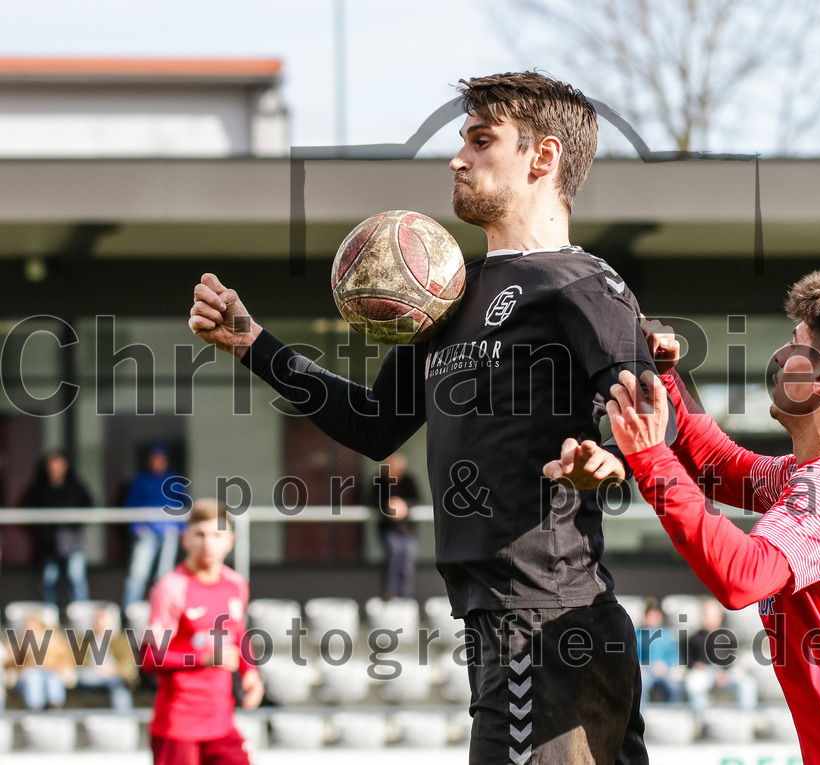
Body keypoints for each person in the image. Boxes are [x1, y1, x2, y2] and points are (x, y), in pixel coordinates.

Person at [188, 71, 675, 763]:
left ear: (542, 158)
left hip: (549, 619)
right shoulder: (450, 296)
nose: (459, 158)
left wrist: (614, 457)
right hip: (503, 625)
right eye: (461, 141)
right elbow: (374, 423)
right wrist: (254, 345)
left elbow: (656, 409)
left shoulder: (580, 282)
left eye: (481, 141)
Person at [568, 272, 820, 763]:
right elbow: (718, 466)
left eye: (794, 345)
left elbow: (742, 576)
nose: (778, 358)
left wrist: (648, 455)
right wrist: (667, 377)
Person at [140, 498, 263, 765]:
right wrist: (203, 658)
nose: (208, 543)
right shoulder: (171, 589)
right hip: (178, 728)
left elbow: (238, 631)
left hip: (221, 724)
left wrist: (250, 670)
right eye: (200, 535)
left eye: (217, 535)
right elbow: (149, 657)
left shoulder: (236, 585)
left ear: (229, 541)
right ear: (186, 540)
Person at [21, 450, 92, 606]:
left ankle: (80, 617)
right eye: (52, 466)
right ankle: (49, 618)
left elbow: (89, 506)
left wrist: (73, 522)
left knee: (76, 577)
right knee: (49, 580)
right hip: (49, 543)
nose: (56, 469)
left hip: (72, 540)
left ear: (65, 467)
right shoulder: (39, 488)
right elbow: (26, 508)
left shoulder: (75, 486)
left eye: (59, 465)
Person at [122, 443, 188, 611]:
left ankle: (162, 611)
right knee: (138, 573)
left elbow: (182, 505)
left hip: (168, 532)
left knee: (164, 575)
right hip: (147, 532)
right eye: (154, 459)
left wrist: (181, 528)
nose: (157, 462)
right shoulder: (141, 481)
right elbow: (131, 506)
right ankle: (129, 613)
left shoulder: (174, 480)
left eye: (161, 459)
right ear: (149, 461)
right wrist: (137, 527)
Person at [682, 598, 756, 729]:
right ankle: (704, 722)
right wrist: (696, 665)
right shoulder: (694, 637)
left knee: (747, 683)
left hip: (725, 673)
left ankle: (747, 720)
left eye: (712, 615)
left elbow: (732, 658)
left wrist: (724, 672)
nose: (709, 619)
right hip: (703, 672)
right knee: (693, 684)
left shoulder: (728, 636)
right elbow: (688, 660)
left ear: (720, 616)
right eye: (706, 615)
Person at [373, 452, 421, 599]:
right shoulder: (379, 481)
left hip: (407, 530)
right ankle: (390, 594)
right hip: (389, 529)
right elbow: (374, 500)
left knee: (407, 562)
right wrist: (388, 506)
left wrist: (403, 505)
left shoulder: (408, 480)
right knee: (393, 558)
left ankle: (405, 596)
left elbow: (416, 499)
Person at [74, 607, 138, 713]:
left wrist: (112, 670)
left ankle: (122, 720)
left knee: (119, 690)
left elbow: (129, 666)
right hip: (89, 676)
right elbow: (76, 662)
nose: (100, 625)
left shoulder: (121, 641)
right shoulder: (83, 641)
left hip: (114, 678)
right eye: (98, 622)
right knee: (81, 675)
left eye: (103, 622)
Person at [10, 612, 76, 710]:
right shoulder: (22, 643)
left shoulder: (56, 640)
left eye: (33, 627)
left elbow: (67, 659)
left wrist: (60, 668)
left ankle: (55, 708)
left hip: (53, 671)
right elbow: (16, 664)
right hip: (31, 673)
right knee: (33, 678)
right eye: (28, 627)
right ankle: (36, 710)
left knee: (53, 680)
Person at [635, 598, 682, 704]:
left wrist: (666, 665)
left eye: (655, 616)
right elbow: (633, 655)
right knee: (640, 684)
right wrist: (639, 666)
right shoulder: (637, 635)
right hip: (645, 671)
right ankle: (641, 715)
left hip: (665, 670)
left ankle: (672, 714)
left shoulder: (667, 635)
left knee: (675, 685)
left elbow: (675, 655)